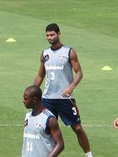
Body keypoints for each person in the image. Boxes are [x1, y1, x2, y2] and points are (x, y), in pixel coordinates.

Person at [33, 23, 93, 157]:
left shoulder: (69, 52)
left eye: (52, 34)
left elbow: (79, 73)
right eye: (47, 35)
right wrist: (33, 91)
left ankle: (89, 155)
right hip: (48, 99)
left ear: (59, 34)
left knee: (77, 128)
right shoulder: (44, 54)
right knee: (46, 129)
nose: (50, 37)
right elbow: (40, 75)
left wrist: (71, 87)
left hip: (64, 98)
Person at [22, 85, 65, 157]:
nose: (23, 101)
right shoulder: (27, 116)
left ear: (34, 99)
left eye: (26, 99)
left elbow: (60, 144)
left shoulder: (49, 119)